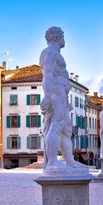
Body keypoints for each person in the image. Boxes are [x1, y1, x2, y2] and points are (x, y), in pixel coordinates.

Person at [39, 27, 85, 170]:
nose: (64, 39)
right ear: (57, 37)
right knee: (56, 126)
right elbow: (47, 74)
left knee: (66, 130)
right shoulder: (51, 53)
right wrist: (47, 95)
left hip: (61, 95)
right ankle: (52, 161)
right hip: (56, 93)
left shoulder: (53, 53)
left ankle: (70, 161)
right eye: (63, 36)